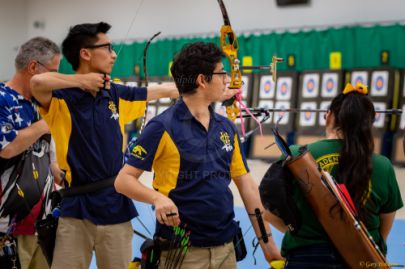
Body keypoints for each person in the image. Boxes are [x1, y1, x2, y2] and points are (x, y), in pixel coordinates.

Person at [114, 42, 283, 269]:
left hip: (226, 249)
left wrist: (269, 247)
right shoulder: (162, 127)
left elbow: (246, 186)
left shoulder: (226, 127)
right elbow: (123, 180)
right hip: (181, 252)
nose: (226, 79)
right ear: (202, 80)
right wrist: (158, 199)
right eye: (222, 73)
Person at [30, 22, 181, 269]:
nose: (113, 54)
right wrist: (81, 81)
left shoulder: (113, 92)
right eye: (108, 48)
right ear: (85, 53)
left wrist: (202, 88)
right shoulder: (60, 99)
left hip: (115, 206)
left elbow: (161, 90)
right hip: (75, 209)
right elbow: (37, 81)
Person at [261, 83, 403, 268]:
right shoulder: (383, 166)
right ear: (370, 122)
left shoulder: (296, 157)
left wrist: (299, 233)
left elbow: (269, 212)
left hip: (305, 260)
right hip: (361, 259)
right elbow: (383, 230)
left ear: (328, 117)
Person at [0, 37, 63, 269]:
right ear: (34, 67)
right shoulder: (2, 99)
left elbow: (50, 158)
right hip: (8, 227)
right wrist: (47, 122)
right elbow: (7, 148)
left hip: (45, 225)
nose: (56, 79)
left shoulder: (42, 103)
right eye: (53, 71)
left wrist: (63, 173)